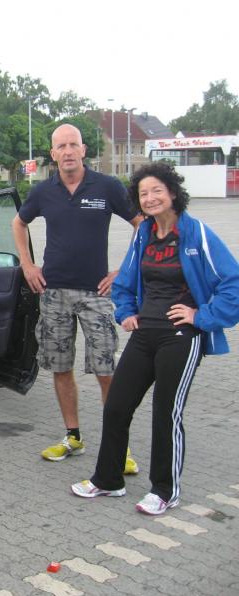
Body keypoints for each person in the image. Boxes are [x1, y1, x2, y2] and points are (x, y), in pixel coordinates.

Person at [72, 162, 239, 514]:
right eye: (143, 193)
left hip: (180, 336)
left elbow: (232, 282)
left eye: (156, 191)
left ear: (173, 193)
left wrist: (201, 316)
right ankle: (108, 480)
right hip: (144, 332)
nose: (149, 198)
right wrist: (126, 312)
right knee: (117, 406)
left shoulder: (196, 234)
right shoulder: (144, 234)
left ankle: (164, 490)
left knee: (166, 413)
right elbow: (124, 280)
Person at [12, 124, 143, 469]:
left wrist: (125, 271)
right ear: (53, 154)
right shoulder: (43, 191)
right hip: (53, 292)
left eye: (73, 145)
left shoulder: (107, 186)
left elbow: (141, 223)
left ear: (83, 150)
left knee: (105, 368)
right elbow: (18, 223)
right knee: (60, 366)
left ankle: (119, 447)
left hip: (96, 293)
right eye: (61, 146)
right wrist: (27, 265)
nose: (68, 151)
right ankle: (73, 436)